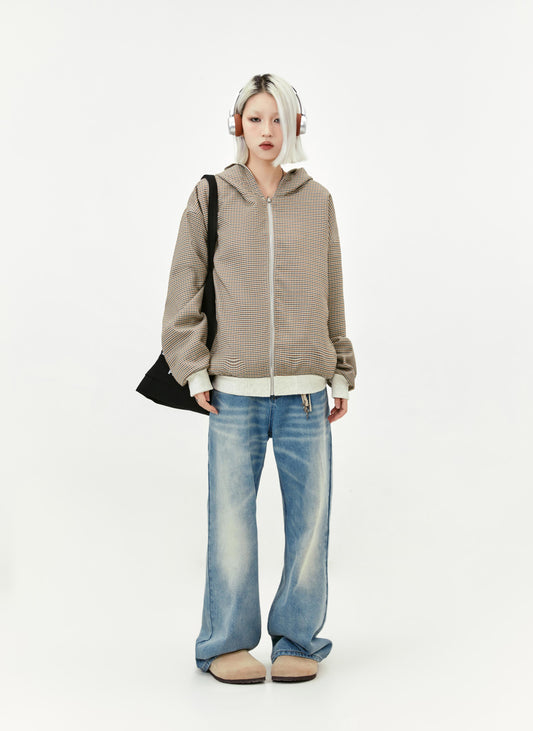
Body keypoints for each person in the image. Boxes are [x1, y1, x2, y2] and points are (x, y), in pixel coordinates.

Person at [161, 73, 357, 684]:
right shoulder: (212, 195)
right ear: (237, 125)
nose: (267, 131)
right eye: (255, 119)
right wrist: (193, 368)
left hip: (306, 396)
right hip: (232, 397)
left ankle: (298, 639)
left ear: (296, 124)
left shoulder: (317, 200)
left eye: (278, 118)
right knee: (231, 526)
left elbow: (331, 292)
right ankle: (225, 643)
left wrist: (340, 371)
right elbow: (184, 289)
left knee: (310, 524)